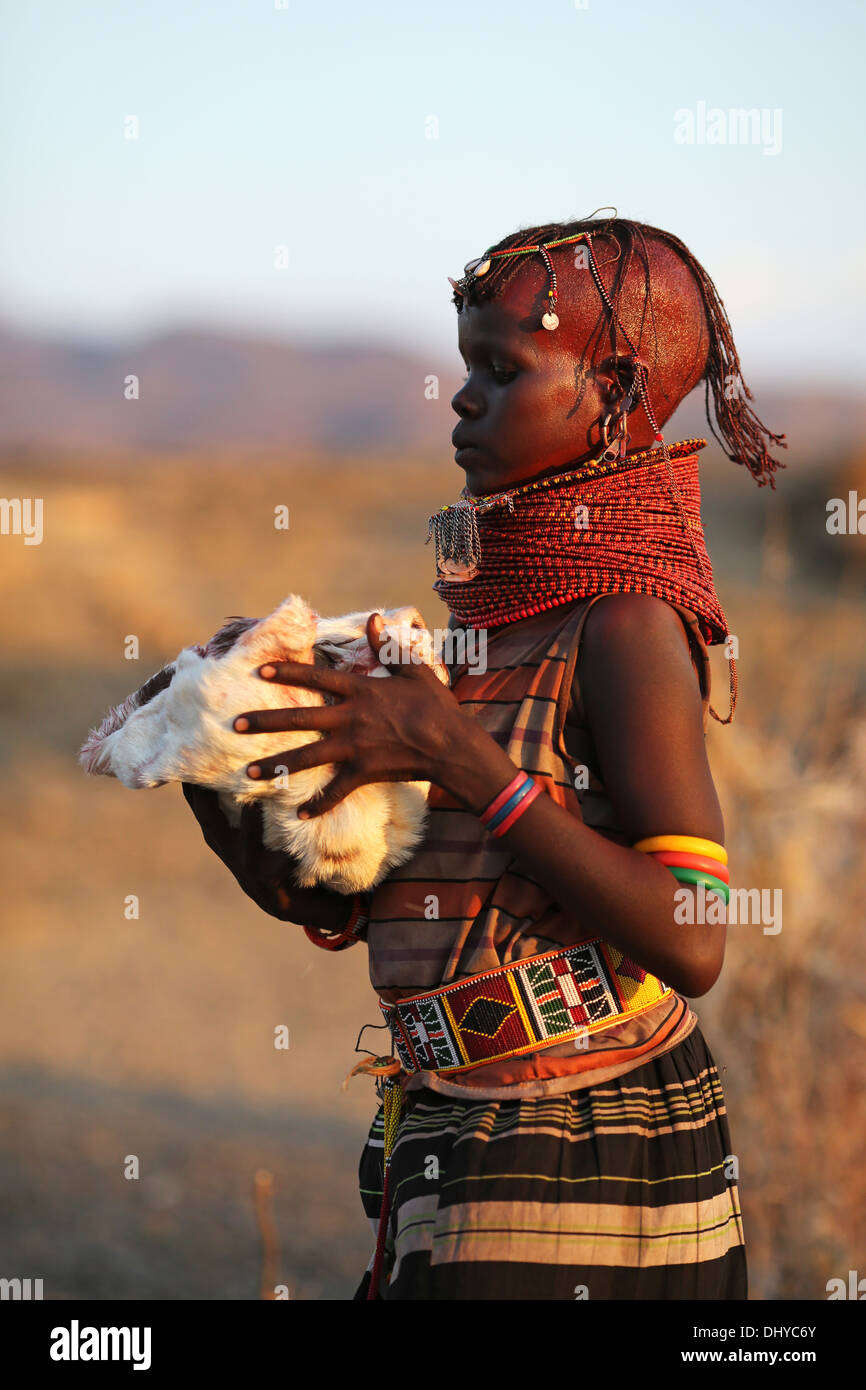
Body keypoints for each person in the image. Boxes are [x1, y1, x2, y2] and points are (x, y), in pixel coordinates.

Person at [183, 214, 786, 1300]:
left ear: (607, 387)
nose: (460, 398)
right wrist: (240, 788)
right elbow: (424, 893)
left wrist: (459, 759)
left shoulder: (626, 623)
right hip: (451, 1118)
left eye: (498, 371)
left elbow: (695, 939)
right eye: (466, 366)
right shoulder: (487, 626)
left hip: (587, 1138)